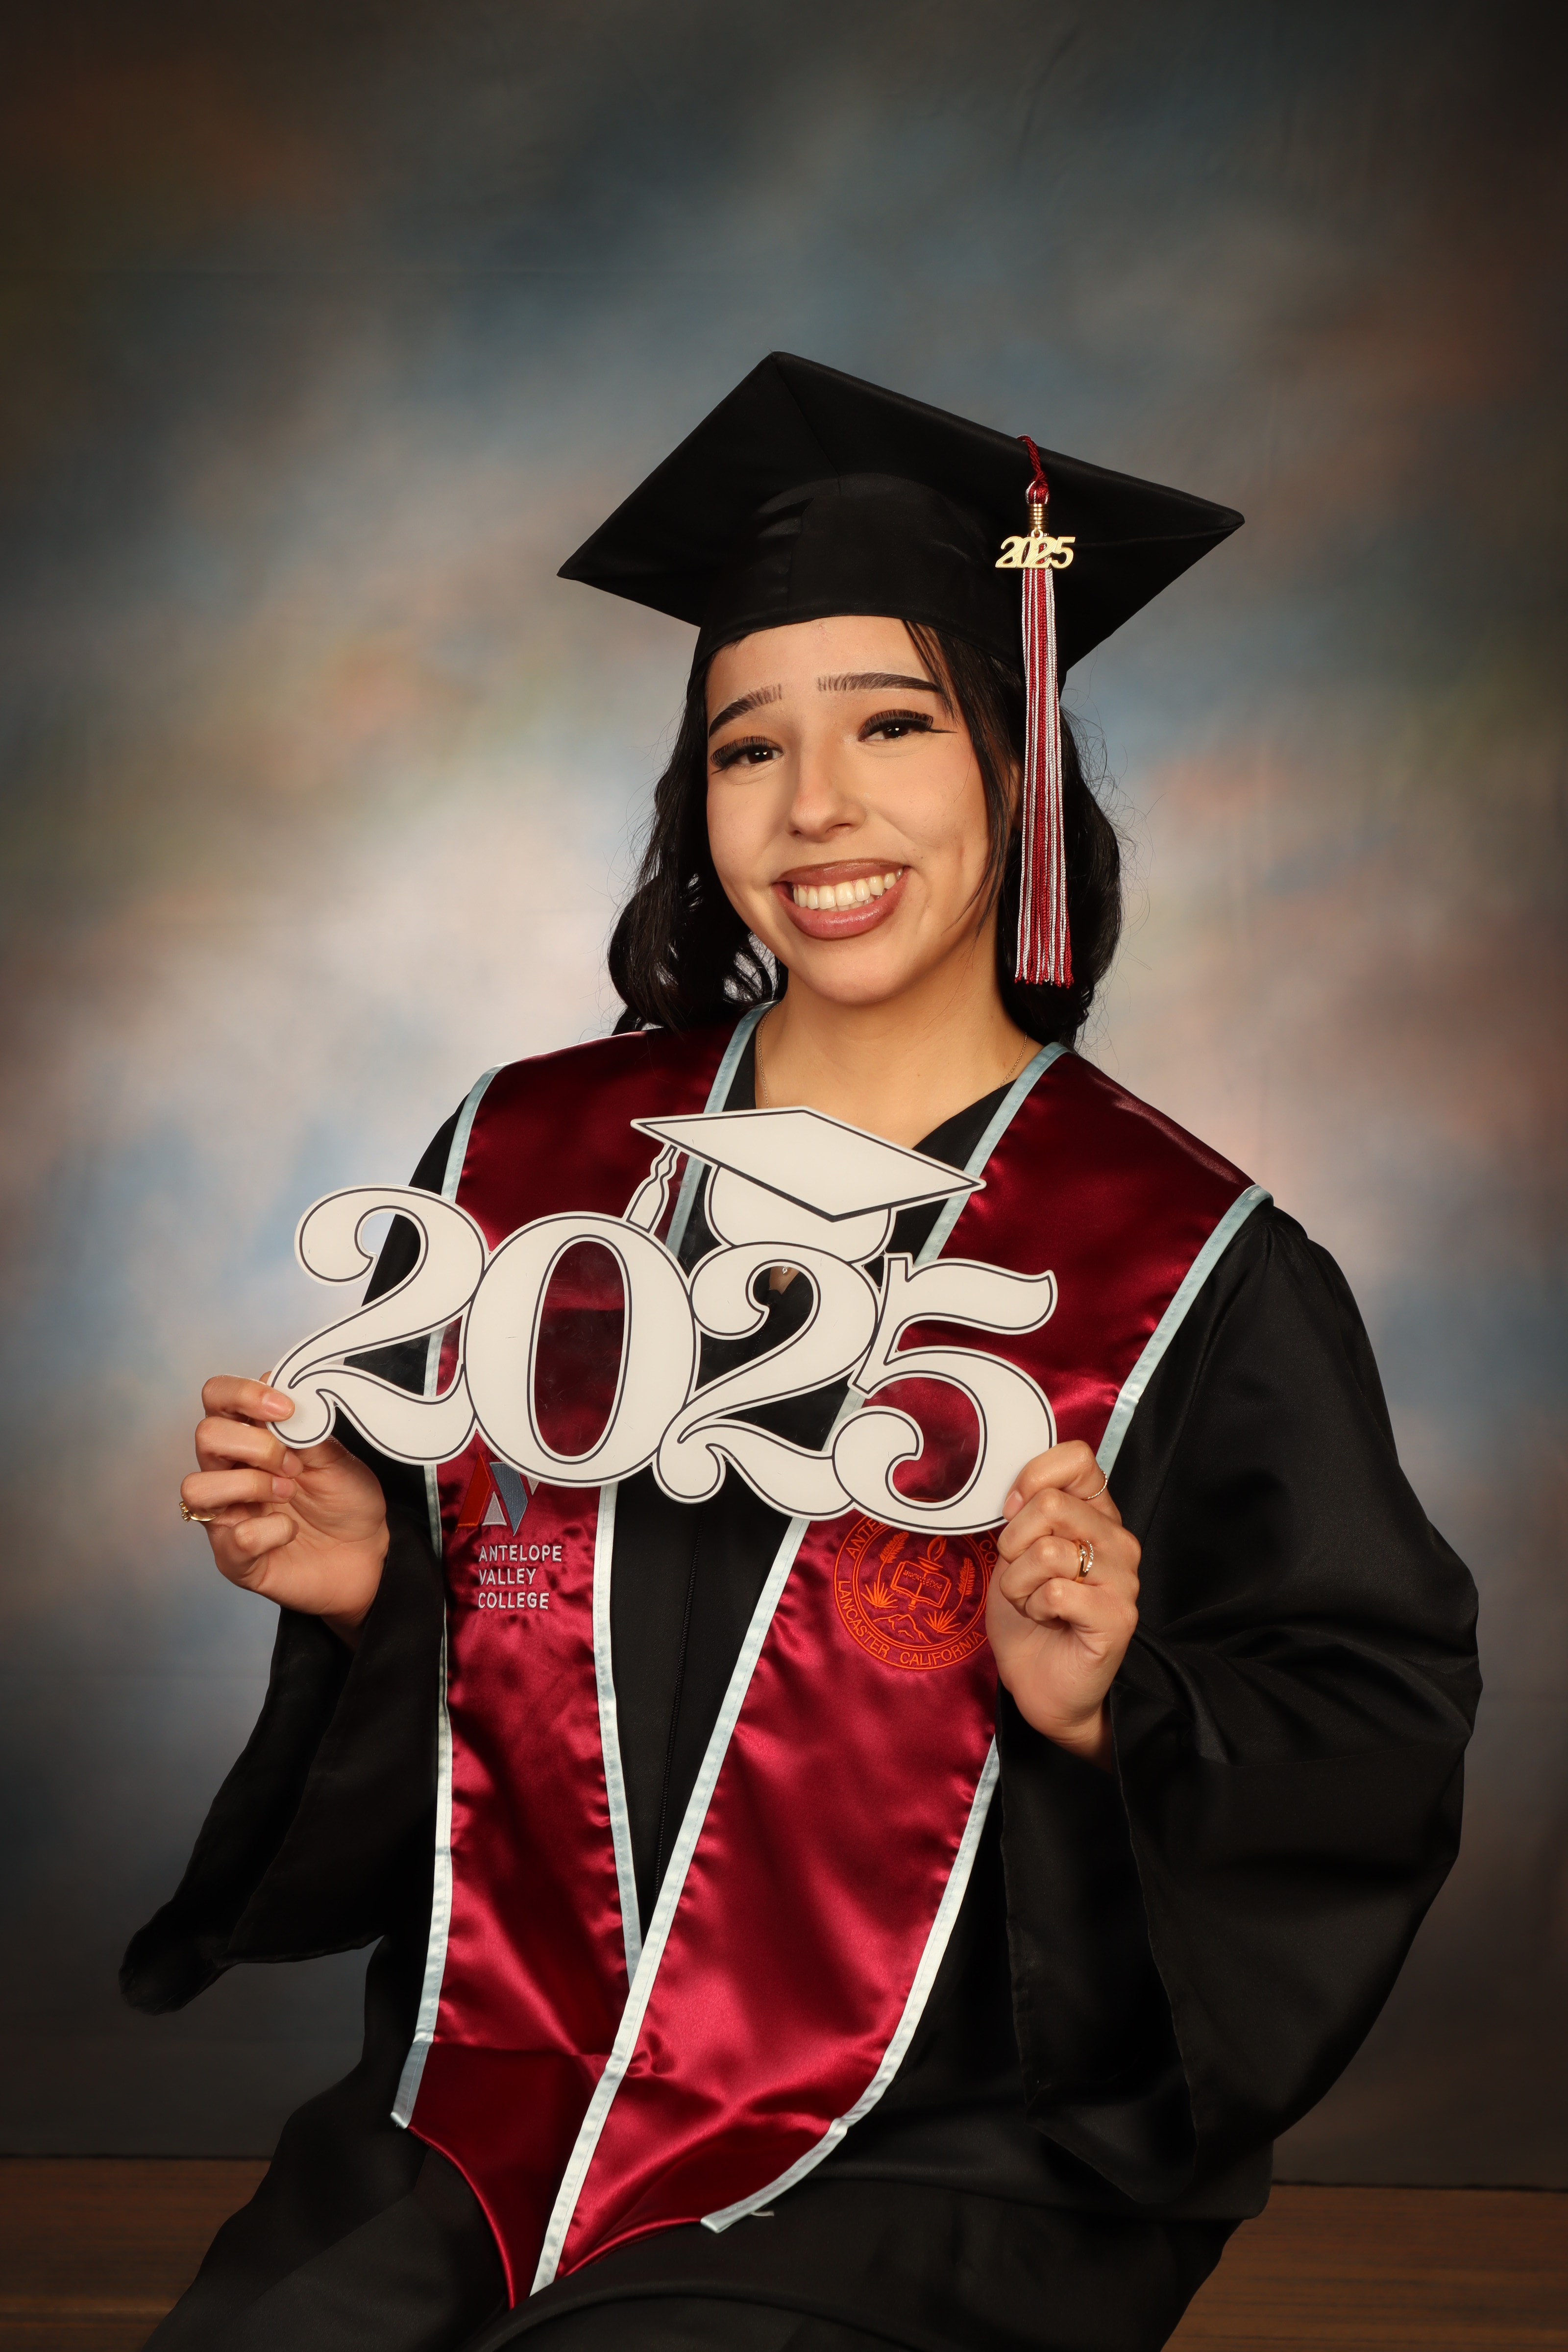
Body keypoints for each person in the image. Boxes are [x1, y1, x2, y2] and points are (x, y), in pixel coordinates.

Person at [126, 355, 1480, 2352]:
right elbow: (535, 1680)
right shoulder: (525, 1162)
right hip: (497, 2095)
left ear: (1016, 768)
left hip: (939, 2151)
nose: (815, 804)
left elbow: (1364, 1717)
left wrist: (1113, 1707)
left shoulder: (1189, 1263)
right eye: (746, 746)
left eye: (892, 723)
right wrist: (376, 1586)